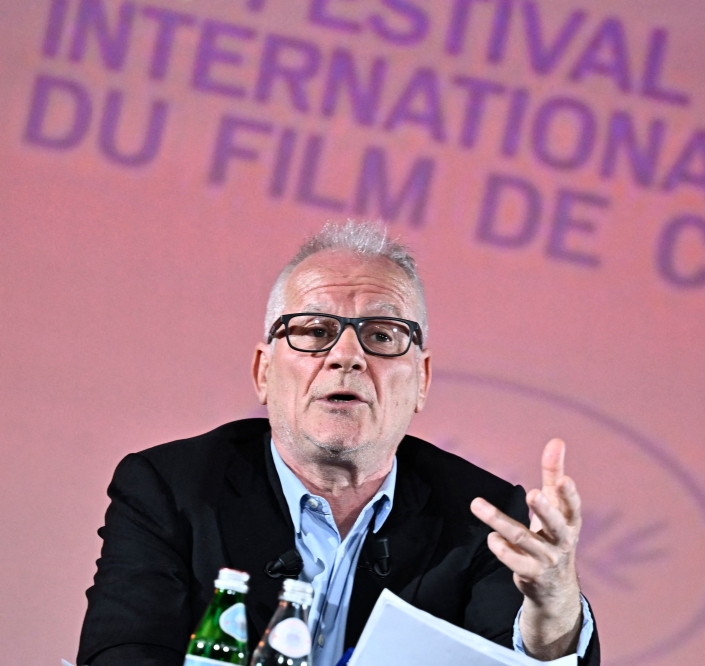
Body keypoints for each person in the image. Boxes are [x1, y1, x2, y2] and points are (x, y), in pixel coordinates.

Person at [78, 220, 599, 666]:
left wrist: (553, 611)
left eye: (381, 335)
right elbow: (122, 652)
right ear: (263, 372)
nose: (346, 355)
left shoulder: (482, 519)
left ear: (421, 380)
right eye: (313, 330)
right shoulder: (169, 489)